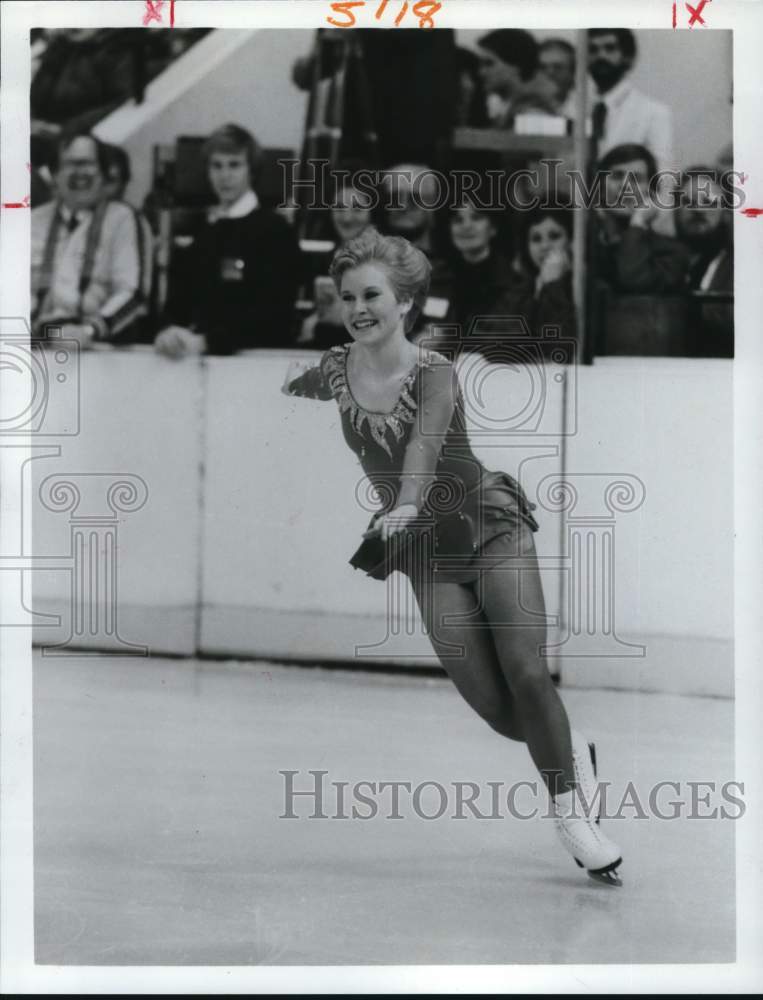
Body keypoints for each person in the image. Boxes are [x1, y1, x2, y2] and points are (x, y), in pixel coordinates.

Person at [281, 227, 623, 886]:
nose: (358, 307)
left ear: (405, 298)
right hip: (425, 555)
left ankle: (571, 816)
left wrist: (407, 500)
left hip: (488, 527)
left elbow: (424, 445)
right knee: (497, 711)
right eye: (345, 294)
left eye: (372, 293)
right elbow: (312, 383)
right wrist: (290, 383)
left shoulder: (434, 370)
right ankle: (569, 753)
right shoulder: (336, 368)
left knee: (526, 674)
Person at [155, 123, 300, 358]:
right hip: (199, 361)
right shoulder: (200, 232)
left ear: (251, 170)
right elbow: (177, 303)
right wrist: (169, 331)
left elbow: (274, 313)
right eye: (217, 166)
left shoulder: (276, 231)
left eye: (234, 165)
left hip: (257, 364)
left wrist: (208, 341)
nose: (225, 175)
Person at [31, 132, 151, 347]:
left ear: (103, 174)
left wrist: (89, 331)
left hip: (101, 349)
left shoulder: (123, 219)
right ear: (55, 174)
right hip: (37, 344)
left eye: (87, 164)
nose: (80, 173)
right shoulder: (33, 221)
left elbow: (133, 293)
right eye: (70, 165)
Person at [594, 143, 688, 293]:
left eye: (636, 179)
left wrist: (638, 224)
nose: (625, 186)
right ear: (600, 187)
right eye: (617, 176)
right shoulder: (585, 247)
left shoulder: (670, 253)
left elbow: (633, 280)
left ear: (651, 193)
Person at [428, 201, 517, 357]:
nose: (466, 226)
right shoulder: (435, 279)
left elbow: (503, 339)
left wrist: (443, 339)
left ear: (493, 228)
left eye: (476, 218)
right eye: (458, 220)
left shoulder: (513, 282)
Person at [298, 175, 375, 349]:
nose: (347, 218)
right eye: (339, 209)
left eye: (357, 209)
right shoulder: (324, 257)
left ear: (373, 212)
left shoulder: (388, 259)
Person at [587, 29, 674, 171]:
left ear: (627, 57)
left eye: (610, 48)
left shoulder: (653, 113)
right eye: (593, 49)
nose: (600, 56)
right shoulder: (575, 109)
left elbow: (662, 177)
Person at [504, 207, 578, 361]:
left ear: (572, 241)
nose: (545, 246)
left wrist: (552, 286)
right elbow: (505, 348)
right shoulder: (519, 290)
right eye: (536, 239)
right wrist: (538, 294)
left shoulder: (587, 290)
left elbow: (560, 350)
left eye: (555, 236)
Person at [675, 167, 733, 357]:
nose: (698, 209)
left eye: (708, 202)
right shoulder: (664, 259)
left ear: (726, 212)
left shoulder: (737, 266)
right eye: (687, 202)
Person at [475, 29, 559, 128]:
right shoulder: (507, 107)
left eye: (489, 64)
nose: (481, 72)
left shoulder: (533, 113)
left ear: (516, 65)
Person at [538, 38, 577, 117]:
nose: (549, 73)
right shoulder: (522, 108)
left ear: (572, 72)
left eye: (558, 67)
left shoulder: (586, 108)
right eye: (542, 67)